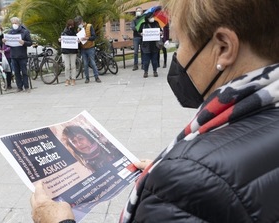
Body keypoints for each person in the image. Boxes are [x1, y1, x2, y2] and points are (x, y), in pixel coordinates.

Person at [30, 0, 279, 222]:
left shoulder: (185, 181)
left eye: (180, 43)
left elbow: (208, 186)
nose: (179, 57)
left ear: (223, 48)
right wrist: (163, 173)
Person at [3, 17, 32, 92]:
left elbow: (30, 43)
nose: (14, 25)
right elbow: (8, 45)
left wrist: (24, 42)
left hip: (22, 56)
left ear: (18, 23)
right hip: (13, 56)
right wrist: (5, 41)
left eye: (15, 23)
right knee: (16, 73)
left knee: (24, 72)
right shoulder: (10, 32)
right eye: (13, 23)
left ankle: (26, 86)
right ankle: (19, 87)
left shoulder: (24, 32)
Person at [74, 16, 101, 84]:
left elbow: (94, 37)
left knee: (93, 63)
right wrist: (78, 41)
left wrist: (87, 38)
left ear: (81, 21)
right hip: (83, 49)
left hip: (90, 47)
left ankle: (96, 77)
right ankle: (87, 78)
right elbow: (78, 38)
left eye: (78, 23)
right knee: (85, 64)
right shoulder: (78, 29)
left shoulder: (89, 26)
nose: (78, 25)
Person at [59, 19, 78, 86]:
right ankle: (67, 80)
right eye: (70, 25)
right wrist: (60, 40)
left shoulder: (75, 32)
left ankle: (73, 79)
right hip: (66, 51)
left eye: (72, 25)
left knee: (73, 66)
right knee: (67, 67)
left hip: (73, 51)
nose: (71, 26)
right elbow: (61, 42)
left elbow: (77, 41)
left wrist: (78, 41)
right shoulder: (64, 32)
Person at [130, 7, 143, 71]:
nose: (138, 12)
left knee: (143, 51)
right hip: (136, 37)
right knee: (135, 52)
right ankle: (135, 65)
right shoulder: (134, 20)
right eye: (137, 11)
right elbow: (133, 28)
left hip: (143, 37)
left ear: (142, 12)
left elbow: (144, 27)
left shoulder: (143, 19)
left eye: (140, 11)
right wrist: (139, 28)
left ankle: (143, 64)